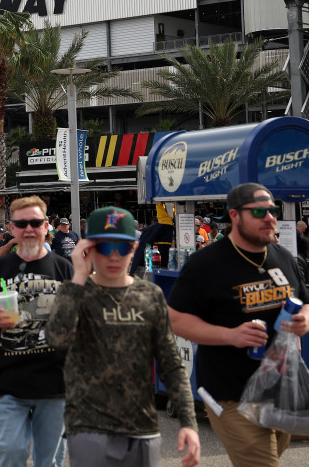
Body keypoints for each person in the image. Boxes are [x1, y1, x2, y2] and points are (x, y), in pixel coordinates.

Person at [167, 183, 309, 467]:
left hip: (282, 388)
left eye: (273, 210)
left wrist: (305, 317)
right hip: (231, 394)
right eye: (259, 211)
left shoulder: (282, 257)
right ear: (234, 215)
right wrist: (231, 335)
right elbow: (175, 319)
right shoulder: (205, 263)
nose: (269, 217)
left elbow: (305, 301)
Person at [46, 207, 199, 467]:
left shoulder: (150, 295)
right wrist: (80, 274)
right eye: (105, 247)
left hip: (141, 429)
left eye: (124, 248)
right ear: (89, 248)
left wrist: (189, 422)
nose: (114, 256)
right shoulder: (75, 292)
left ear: (135, 248)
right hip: (88, 428)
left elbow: (171, 363)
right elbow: (57, 338)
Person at [0, 196, 73, 467]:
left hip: (56, 381)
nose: (29, 228)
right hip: (9, 379)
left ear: (46, 226)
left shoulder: (64, 268)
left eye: (36, 222)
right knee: (12, 451)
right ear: (12, 229)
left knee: (49, 460)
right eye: (21, 223)